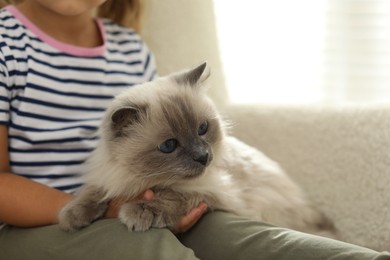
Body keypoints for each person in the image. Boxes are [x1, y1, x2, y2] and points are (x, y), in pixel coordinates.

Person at [0, 0, 388, 259]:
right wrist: (100, 208)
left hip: (144, 203)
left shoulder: (130, 49)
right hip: (35, 226)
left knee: (255, 240)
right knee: (154, 248)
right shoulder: (6, 43)